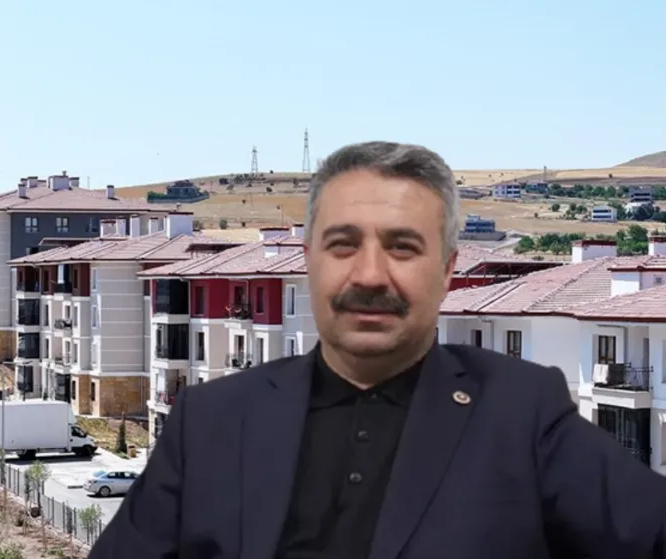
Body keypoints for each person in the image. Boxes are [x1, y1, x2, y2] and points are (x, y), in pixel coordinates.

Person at [89, 141, 666, 559]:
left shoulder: (520, 413)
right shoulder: (212, 420)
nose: (369, 275)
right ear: (309, 263)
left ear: (446, 272)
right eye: (343, 245)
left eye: (403, 247)